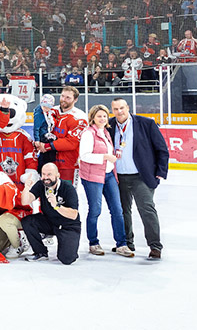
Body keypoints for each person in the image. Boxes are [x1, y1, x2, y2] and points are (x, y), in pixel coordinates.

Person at [109, 98, 169, 259]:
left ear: (128, 107)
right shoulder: (109, 125)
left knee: (147, 209)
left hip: (141, 176)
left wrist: (161, 171)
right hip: (118, 177)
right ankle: (127, 243)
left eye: (122, 108)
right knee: (122, 211)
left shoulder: (146, 123)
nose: (119, 111)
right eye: (115, 109)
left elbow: (162, 149)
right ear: (112, 110)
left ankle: (155, 246)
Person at [79, 105, 133, 257]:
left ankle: (121, 244)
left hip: (109, 175)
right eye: (99, 116)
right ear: (93, 118)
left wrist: (113, 156)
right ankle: (93, 242)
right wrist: (105, 157)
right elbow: (84, 156)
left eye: (104, 116)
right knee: (95, 210)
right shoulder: (88, 133)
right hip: (92, 177)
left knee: (117, 209)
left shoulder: (106, 132)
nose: (102, 119)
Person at [21, 163, 81, 265]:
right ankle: (41, 252)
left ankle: (68, 245)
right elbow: (25, 201)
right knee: (28, 221)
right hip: (50, 221)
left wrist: (56, 206)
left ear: (58, 175)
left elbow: (73, 215)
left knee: (67, 259)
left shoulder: (68, 188)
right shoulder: (41, 185)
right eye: (43, 174)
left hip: (67, 225)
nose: (46, 177)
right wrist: (26, 188)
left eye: (49, 174)